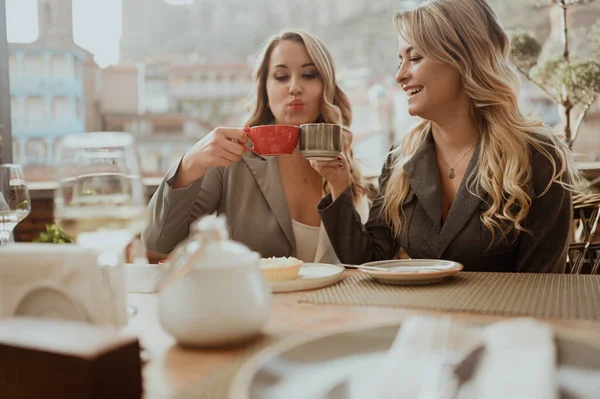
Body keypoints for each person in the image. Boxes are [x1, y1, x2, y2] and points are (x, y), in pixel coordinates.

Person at [312, 0, 576, 273]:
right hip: (424, 316)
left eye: (414, 58)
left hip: (508, 316)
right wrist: (337, 181)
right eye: (400, 60)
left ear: (462, 58)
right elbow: (368, 260)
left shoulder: (538, 156)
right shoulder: (402, 158)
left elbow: (544, 284)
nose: (400, 75)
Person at [142, 29, 369, 264]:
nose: (294, 87)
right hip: (252, 301)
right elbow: (157, 241)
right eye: (281, 76)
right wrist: (190, 163)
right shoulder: (231, 159)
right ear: (265, 89)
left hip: (336, 300)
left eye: (309, 74)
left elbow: (364, 261)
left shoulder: (345, 166)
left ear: (327, 85)